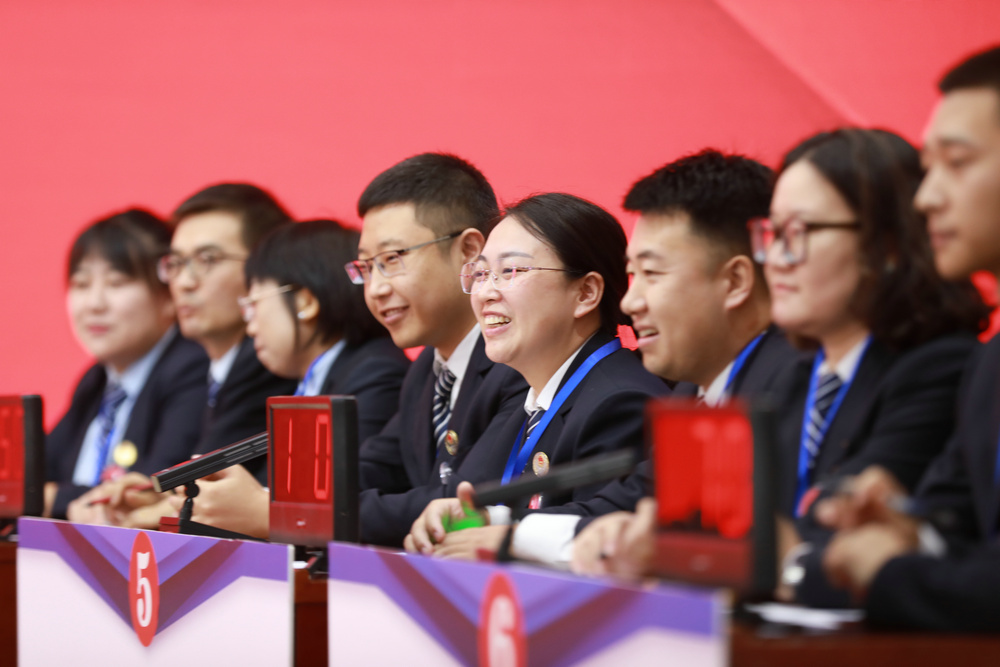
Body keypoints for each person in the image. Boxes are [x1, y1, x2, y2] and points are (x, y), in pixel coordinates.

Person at [405, 151, 797, 570]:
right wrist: (490, 521)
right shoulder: (691, 392)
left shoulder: (785, 380)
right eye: (481, 274)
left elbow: (670, 536)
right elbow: (631, 506)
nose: (631, 301)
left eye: (653, 274)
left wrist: (510, 537)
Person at [759, 128, 990, 607]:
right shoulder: (790, 378)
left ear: (884, 246)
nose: (777, 259)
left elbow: (841, 531)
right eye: (772, 234)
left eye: (799, 233)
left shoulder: (941, 366)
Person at [818, 46, 1000, 631]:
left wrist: (890, 571)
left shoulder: (948, 363)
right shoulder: (990, 364)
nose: (927, 198)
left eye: (958, 163)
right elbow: (959, 526)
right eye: (928, 168)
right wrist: (906, 524)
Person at [404, 192, 669, 560]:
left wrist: (502, 537)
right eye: (481, 273)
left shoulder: (620, 401)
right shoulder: (528, 402)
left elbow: (601, 544)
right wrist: (464, 520)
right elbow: (483, 503)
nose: (485, 293)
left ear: (586, 292)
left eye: (510, 271)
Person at [155, 219, 411, 537]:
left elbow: (349, 487)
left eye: (253, 306)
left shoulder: (375, 373)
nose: (250, 328)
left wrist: (255, 506)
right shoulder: (316, 379)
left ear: (304, 302)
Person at [73, 183, 298, 528]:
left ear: (267, 271)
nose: (184, 283)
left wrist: (142, 512)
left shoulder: (265, 367)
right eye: (176, 264)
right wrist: (151, 495)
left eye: (208, 261)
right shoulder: (217, 368)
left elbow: (213, 492)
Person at [351, 153, 529, 547]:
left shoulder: (521, 363)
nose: (376, 288)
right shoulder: (425, 371)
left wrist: (283, 513)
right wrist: (275, 499)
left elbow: (465, 503)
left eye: (392, 259)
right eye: (366, 267)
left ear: (469, 252)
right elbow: (370, 469)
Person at [48, 209, 208, 520]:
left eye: (117, 283)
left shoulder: (192, 369)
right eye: (81, 284)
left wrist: (52, 498)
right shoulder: (96, 381)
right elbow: (37, 474)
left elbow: (148, 491)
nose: (94, 304)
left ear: (168, 294)